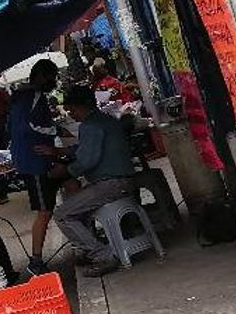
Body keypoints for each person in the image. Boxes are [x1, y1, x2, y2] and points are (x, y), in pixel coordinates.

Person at [42, 85, 138, 277]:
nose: (71, 114)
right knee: (78, 204)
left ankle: (103, 255)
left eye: (72, 110)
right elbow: (85, 148)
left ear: (81, 106)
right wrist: (63, 152)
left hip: (111, 183)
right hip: (123, 179)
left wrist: (65, 171)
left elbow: (86, 160)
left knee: (63, 214)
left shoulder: (90, 126)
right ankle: (89, 248)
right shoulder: (104, 119)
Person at [8, 58, 64, 277]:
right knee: (45, 211)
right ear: (41, 76)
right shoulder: (30, 96)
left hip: (37, 158)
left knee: (71, 183)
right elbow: (27, 128)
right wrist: (55, 131)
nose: (54, 82)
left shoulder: (23, 97)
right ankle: (36, 260)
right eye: (52, 77)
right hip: (34, 161)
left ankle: (85, 235)